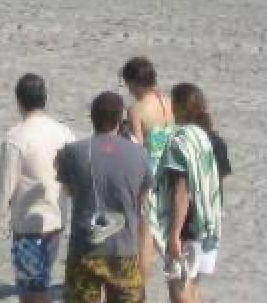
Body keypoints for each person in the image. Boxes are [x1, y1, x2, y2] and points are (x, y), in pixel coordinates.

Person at [0, 73, 75, 303]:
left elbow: (4, 184)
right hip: (57, 219)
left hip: (28, 224)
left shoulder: (16, 137)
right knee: (41, 280)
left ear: (19, 101)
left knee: (31, 290)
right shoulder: (64, 132)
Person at [55, 91, 151, 303]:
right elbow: (142, 198)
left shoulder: (72, 152)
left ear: (92, 117)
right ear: (119, 120)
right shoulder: (140, 154)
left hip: (85, 246)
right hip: (124, 247)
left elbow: (69, 191)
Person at [153, 83, 226, 303]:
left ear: (179, 107)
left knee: (180, 289)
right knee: (193, 286)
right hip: (209, 223)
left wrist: (174, 234)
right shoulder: (215, 140)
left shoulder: (182, 142)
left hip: (187, 225)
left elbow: (182, 191)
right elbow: (218, 183)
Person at [120, 56, 175, 273]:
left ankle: (139, 285)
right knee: (164, 232)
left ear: (135, 83)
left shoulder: (136, 109)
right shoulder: (169, 103)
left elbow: (137, 149)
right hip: (170, 174)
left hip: (149, 177)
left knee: (145, 235)